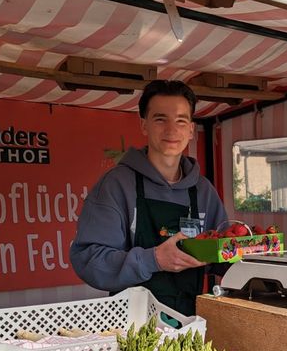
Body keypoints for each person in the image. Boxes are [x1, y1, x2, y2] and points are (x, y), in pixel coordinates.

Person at [70, 79, 227, 316]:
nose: (172, 130)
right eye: (160, 119)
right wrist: (153, 259)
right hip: (131, 328)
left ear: (191, 129)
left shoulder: (203, 190)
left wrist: (252, 254)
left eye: (181, 120)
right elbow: (89, 260)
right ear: (144, 125)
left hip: (190, 323)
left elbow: (221, 253)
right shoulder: (116, 185)